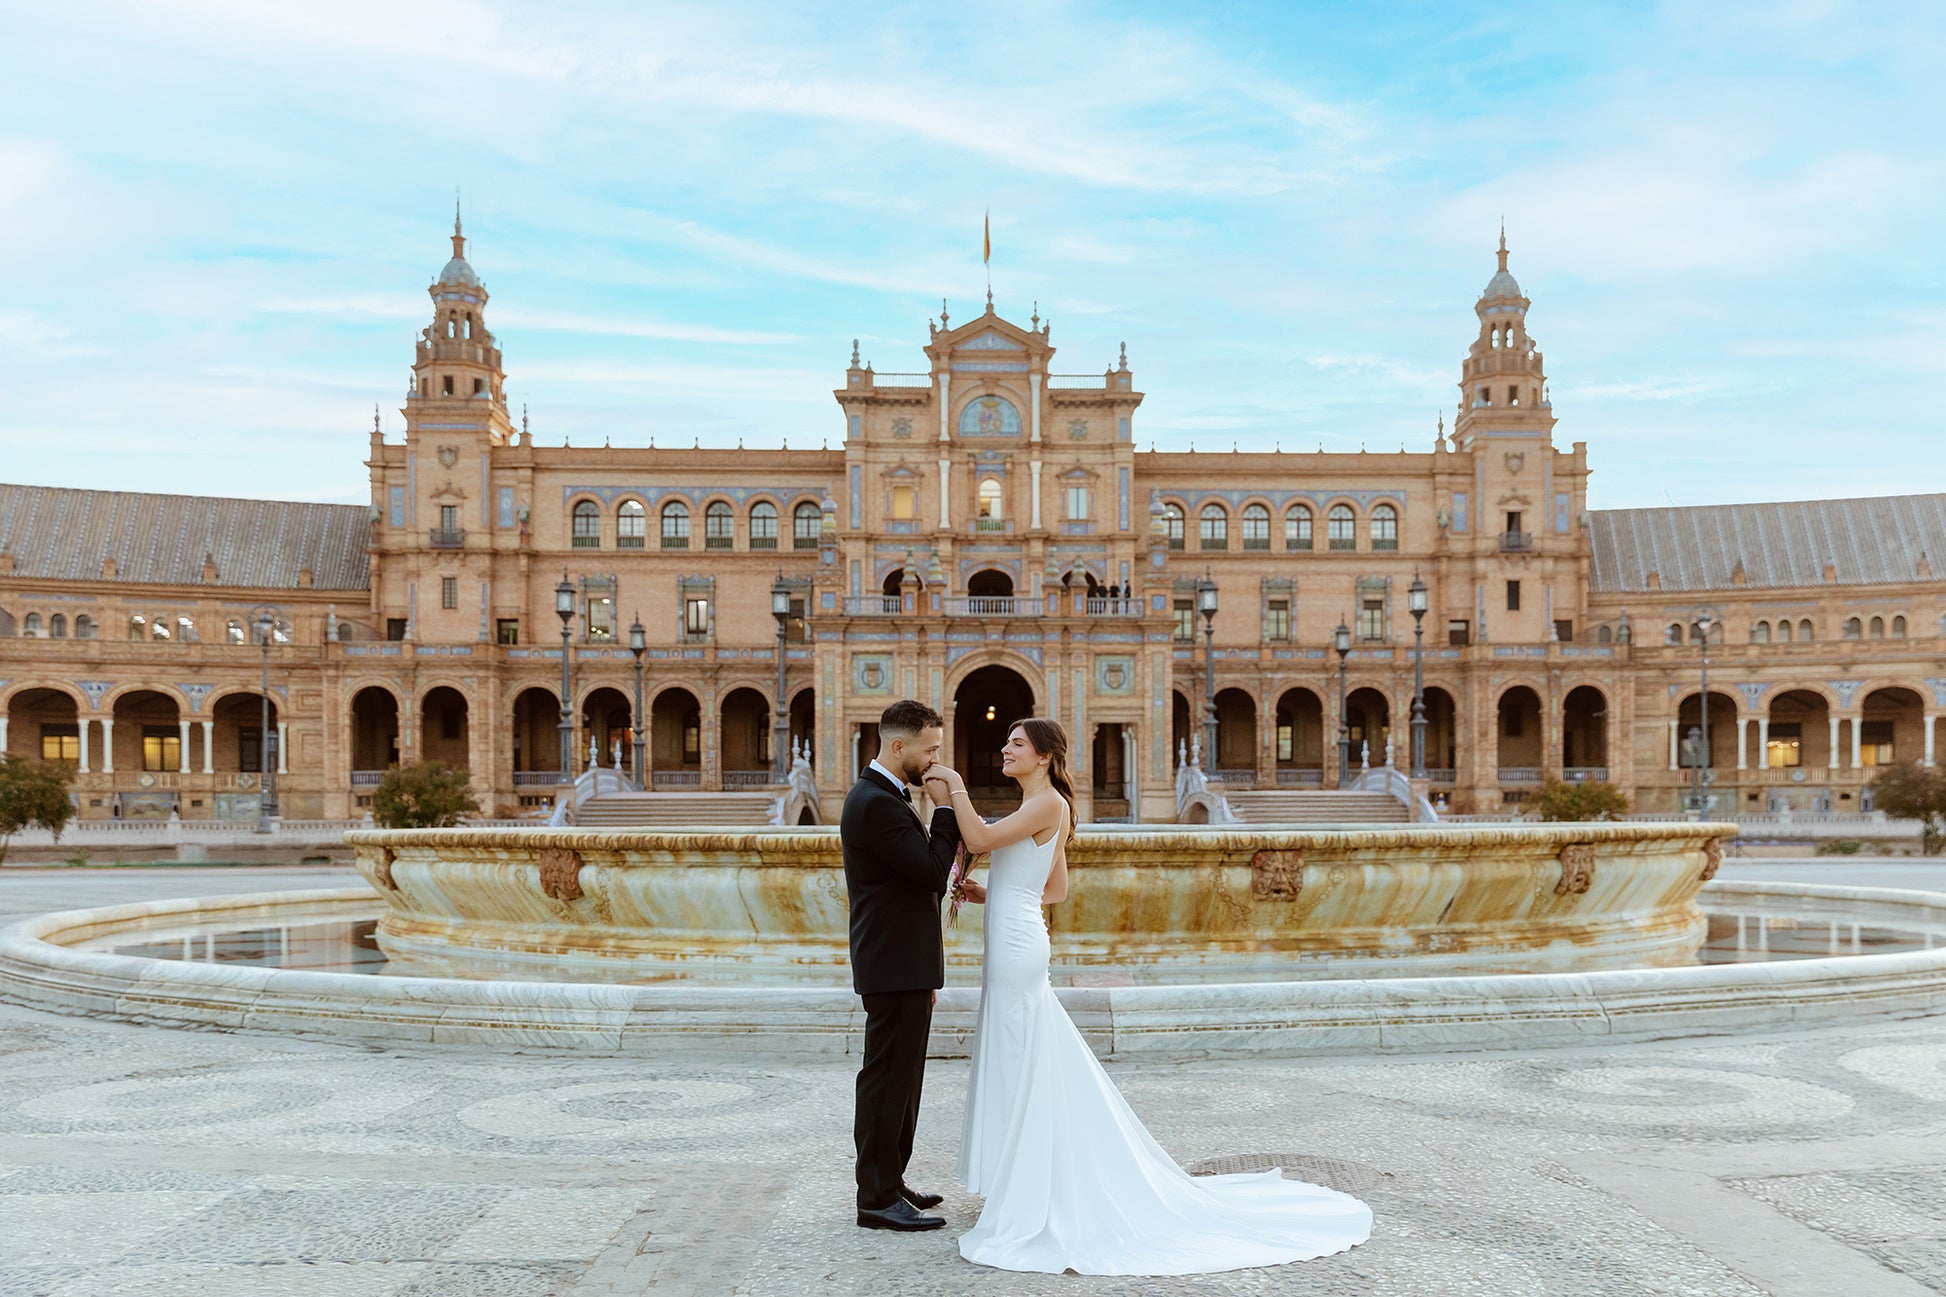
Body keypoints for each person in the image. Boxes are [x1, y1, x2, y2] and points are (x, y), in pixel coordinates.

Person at [924, 718, 1373, 1275]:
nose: (1005, 749)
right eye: (1008, 742)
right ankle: (1023, 1175)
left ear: (1043, 756)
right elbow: (1055, 889)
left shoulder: (1047, 804)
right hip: (1017, 936)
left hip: (1016, 946)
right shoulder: (1043, 806)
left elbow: (980, 840)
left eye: (1016, 743)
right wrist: (990, 891)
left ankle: (1031, 1181)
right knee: (1021, 1054)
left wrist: (954, 787)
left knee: (1020, 1054)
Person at [839, 699, 965, 1231]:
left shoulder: (885, 796)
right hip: (892, 963)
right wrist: (946, 809)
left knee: (904, 1080)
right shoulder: (876, 803)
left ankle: (890, 1181)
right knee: (887, 1080)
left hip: (902, 963)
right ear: (898, 746)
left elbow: (913, 881)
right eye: (929, 749)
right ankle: (875, 1198)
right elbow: (932, 874)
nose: (935, 759)